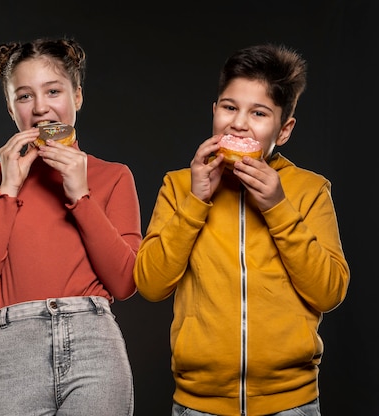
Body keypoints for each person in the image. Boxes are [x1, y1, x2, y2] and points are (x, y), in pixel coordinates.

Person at [133, 44, 350, 416]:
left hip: (292, 402)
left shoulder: (311, 190)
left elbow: (329, 292)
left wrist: (278, 208)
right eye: (230, 107)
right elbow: (151, 285)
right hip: (198, 404)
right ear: (214, 112)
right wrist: (196, 200)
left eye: (259, 113)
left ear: (283, 131)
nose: (239, 123)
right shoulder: (178, 185)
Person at [0, 37, 141, 415]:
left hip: (94, 347)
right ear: (10, 108)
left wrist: (81, 195)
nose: (41, 108)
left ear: (77, 97)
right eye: (24, 96)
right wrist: (8, 188)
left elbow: (124, 282)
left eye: (53, 91)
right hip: (12, 350)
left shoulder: (113, 176)